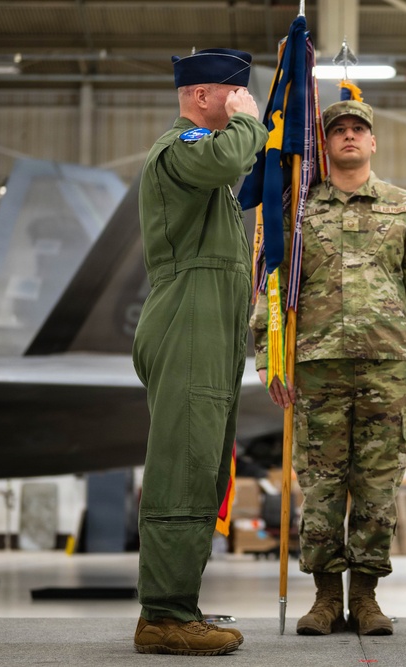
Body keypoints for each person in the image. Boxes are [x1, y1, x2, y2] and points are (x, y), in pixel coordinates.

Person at [249, 99, 406, 636]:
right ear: (326, 143)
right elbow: (268, 286)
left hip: (387, 364)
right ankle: (323, 600)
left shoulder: (405, 208)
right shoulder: (296, 208)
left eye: (360, 129)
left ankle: (365, 597)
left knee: (378, 486)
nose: (351, 137)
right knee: (320, 486)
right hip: (316, 365)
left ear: (374, 141)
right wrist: (270, 359)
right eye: (340, 131)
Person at [131, 48, 268, 656]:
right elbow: (233, 157)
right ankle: (162, 615)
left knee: (204, 468)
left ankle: (178, 604)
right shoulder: (182, 145)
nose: (240, 102)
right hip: (187, 320)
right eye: (231, 94)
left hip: (208, 326)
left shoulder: (204, 156)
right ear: (200, 96)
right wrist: (249, 121)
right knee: (182, 467)